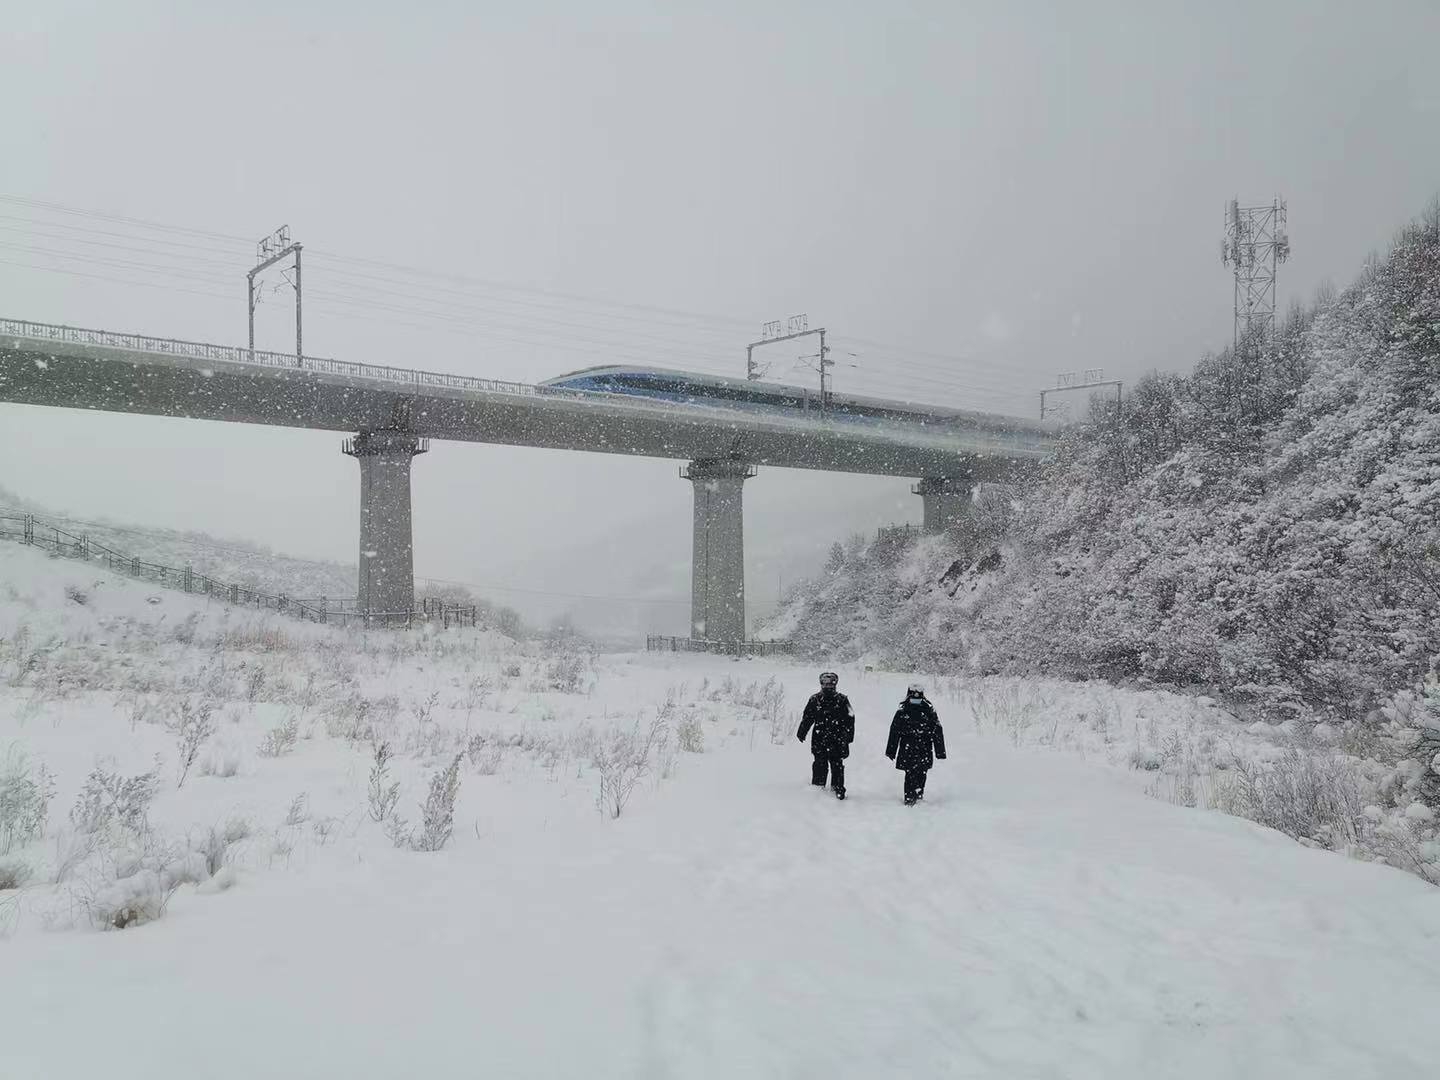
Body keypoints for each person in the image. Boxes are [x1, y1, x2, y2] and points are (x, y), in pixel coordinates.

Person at [797, 671, 854, 799]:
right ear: (821, 684)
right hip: (820, 738)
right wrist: (802, 732)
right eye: (825, 683)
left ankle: (837, 789)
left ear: (835, 684)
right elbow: (807, 717)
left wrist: (849, 737)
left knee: (837, 765)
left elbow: (850, 718)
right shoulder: (815, 699)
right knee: (820, 763)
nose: (828, 686)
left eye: (831, 683)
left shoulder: (842, 700)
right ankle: (818, 788)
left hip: (837, 739)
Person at [885, 684, 946, 805]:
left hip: (911, 748)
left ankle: (912, 796)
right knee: (917, 773)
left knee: (913, 773)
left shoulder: (905, 711)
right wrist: (940, 751)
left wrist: (891, 750)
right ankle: (914, 795)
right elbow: (937, 731)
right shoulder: (927, 711)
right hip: (921, 748)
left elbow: (894, 732)